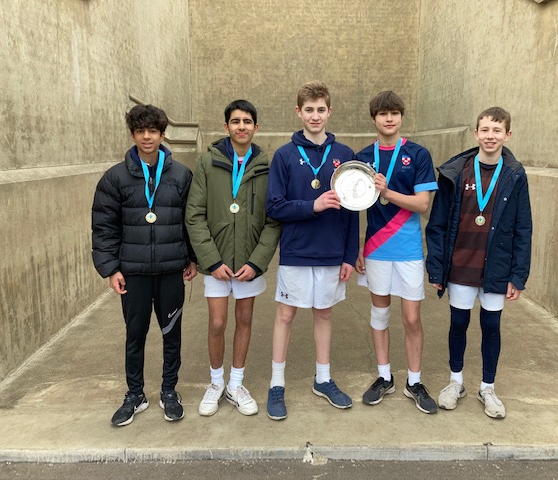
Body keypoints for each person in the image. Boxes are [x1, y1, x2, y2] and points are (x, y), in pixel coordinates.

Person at [91, 104, 198, 427]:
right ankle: (134, 394)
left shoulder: (180, 175)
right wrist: (111, 268)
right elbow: (104, 227)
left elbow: (190, 221)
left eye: (153, 131)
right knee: (135, 335)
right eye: (141, 131)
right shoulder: (115, 178)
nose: (147, 137)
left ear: (162, 133)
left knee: (171, 334)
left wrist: (192, 258)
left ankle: (169, 391)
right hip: (133, 273)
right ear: (133, 134)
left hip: (170, 271)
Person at [425, 106, 532, 419]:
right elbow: (438, 223)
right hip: (460, 265)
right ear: (476, 133)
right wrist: (436, 266)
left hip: (496, 268)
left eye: (497, 131)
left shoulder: (515, 175)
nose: (490, 136)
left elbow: (524, 228)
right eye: (485, 130)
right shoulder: (457, 173)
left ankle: (488, 387)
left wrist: (518, 275)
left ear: (507, 135)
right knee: (458, 323)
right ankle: (455, 382)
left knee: (491, 326)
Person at [265, 80, 359, 420]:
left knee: (324, 313)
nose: (315, 116)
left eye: (321, 109)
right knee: (286, 315)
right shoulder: (284, 155)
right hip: (297, 252)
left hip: (333, 253)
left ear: (329, 111)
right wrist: (313, 206)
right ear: (298, 112)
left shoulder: (346, 156)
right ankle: (277, 384)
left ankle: (323, 378)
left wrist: (350, 255)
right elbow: (274, 206)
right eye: (309, 110)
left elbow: (353, 210)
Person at [185, 100, 280, 417]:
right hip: (218, 265)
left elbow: (272, 220)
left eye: (248, 121)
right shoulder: (207, 163)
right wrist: (211, 261)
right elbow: (195, 216)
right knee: (217, 322)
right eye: (236, 121)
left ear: (256, 127)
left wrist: (256, 263)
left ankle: (236, 384)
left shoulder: (267, 167)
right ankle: (215, 383)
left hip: (248, 266)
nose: (242, 126)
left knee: (244, 321)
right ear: (226, 127)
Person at [354, 91, 439, 414]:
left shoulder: (417, 155)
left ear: (402, 117)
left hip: (408, 250)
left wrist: (387, 191)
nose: (389, 119)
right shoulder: (363, 157)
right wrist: (359, 248)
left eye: (394, 113)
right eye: (382, 114)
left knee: (412, 317)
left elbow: (422, 203)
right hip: (376, 249)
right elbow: (356, 206)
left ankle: (414, 382)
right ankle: (384, 377)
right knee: (380, 314)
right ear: (374, 119)